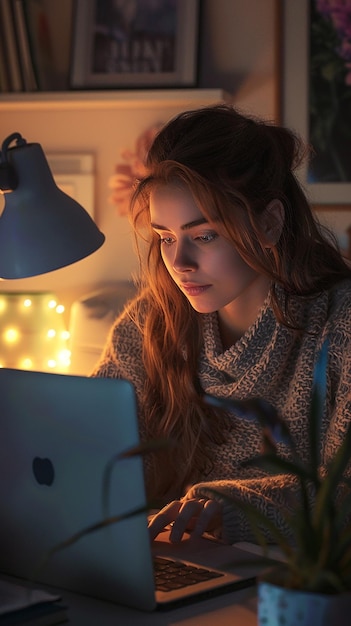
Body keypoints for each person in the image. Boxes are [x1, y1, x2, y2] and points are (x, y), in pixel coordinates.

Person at [91, 104, 351, 545]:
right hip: (171, 566)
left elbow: (342, 497)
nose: (179, 263)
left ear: (269, 222)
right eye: (166, 238)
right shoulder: (149, 324)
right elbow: (96, 446)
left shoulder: (339, 324)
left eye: (204, 235)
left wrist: (234, 509)